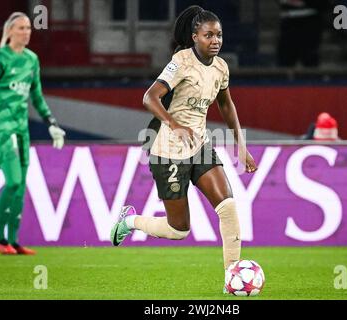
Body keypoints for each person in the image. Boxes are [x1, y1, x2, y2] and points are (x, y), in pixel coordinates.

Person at [109, 5, 258, 293]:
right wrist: (173, 123)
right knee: (179, 230)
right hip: (167, 151)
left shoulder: (221, 67)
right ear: (194, 37)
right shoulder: (181, 62)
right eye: (208, 35)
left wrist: (241, 145)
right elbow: (149, 97)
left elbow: (225, 104)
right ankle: (130, 221)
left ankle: (232, 278)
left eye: (219, 35)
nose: (215, 40)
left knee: (227, 207)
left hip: (200, 146)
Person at [0, 12, 66, 255]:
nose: (26, 32)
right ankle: (0, 238)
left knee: (21, 186)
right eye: (21, 28)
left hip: (22, 129)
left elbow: (37, 96)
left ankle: (13, 240)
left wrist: (52, 122)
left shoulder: (32, 59)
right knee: (12, 182)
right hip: (2, 128)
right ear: (9, 31)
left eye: (29, 28)